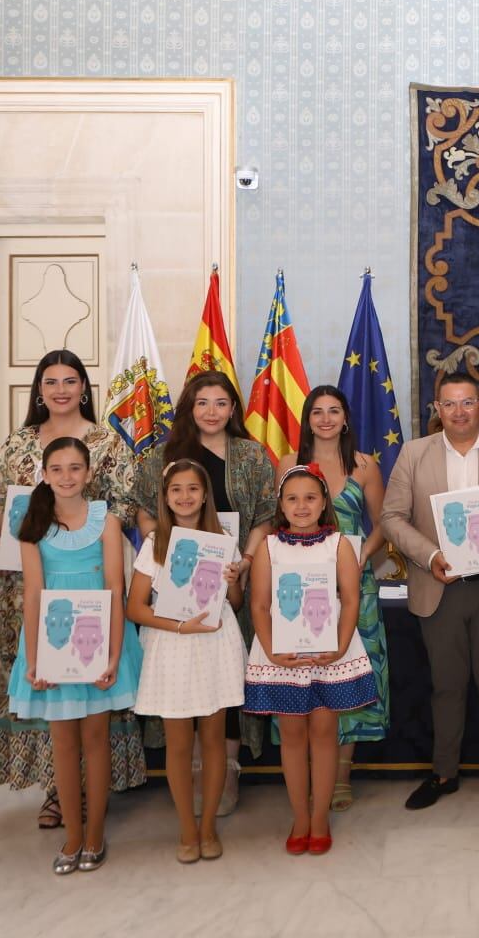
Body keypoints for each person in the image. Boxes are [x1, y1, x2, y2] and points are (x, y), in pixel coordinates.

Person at [0, 349, 141, 829]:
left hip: (91, 578)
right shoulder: (18, 444)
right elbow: (0, 501)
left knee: (90, 678)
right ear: (39, 390)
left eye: (69, 380)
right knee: (46, 679)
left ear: (83, 388)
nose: (60, 389)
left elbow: (126, 507)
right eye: (50, 381)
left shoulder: (107, 443)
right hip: (26, 582)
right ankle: (56, 789)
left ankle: (95, 789)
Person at [381, 372, 479, 810]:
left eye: (467, 402)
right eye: (449, 404)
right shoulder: (414, 453)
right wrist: (430, 556)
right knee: (446, 686)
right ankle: (443, 772)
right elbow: (392, 517)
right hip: (440, 585)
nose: (459, 412)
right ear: (437, 408)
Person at [134, 370, 275, 816]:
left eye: (220, 403)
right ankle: (193, 766)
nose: (212, 412)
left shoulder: (252, 456)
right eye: (202, 403)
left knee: (225, 677)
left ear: (233, 410)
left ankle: (227, 765)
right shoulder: (163, 457)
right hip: (175, 587)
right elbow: (143, 510)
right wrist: (170, 554)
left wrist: (244, 564)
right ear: (188, 409)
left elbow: (265, 517)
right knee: (183, 678)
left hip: (234, 582)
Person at [7, 438, 144, 874]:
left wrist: (112, 653)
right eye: (57, 469)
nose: (67, 476)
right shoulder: (32, 524)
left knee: (96, 739)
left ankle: (96, 832)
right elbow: (33, 592)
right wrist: (34, 659)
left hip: (98, 640)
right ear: (44, 474)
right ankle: (71, 834)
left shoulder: (106, 521)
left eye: (75, 468)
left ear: (88, 473)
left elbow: (113, 589)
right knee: (62, 742)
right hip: (53, 640)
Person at [244, 465, 378, 855]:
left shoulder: (339, 545)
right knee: (292, 736)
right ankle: (299, 816)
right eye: (292, 499)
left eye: (310, 498)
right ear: (281, 506)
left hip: (329, 653)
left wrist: (338, 646)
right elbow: (260, 603)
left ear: (323, 504)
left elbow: (351, 600)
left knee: (323, 734)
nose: (301, 506)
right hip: (282, 655)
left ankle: (319, 818)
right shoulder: (269, 547)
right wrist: (270, 650)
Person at [128, 459, 247, 863]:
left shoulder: (223, 539)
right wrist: (178, 627)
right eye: (175, 489)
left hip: (214, 643)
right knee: (179, 745)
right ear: (165, 497)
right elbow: (135, 608)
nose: (184, 496)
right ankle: (186, 828)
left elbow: (236, 603)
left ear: (205, 494)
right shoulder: (155, 543)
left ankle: (209, 825)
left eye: (192, 489)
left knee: (214, 741)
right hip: (173, 645)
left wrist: (234, 583)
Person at [293, 384, 390, 812]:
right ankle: (311, 771)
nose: (326, 419)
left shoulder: (365, 466)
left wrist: (360, 558)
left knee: (348, 677)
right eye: (318, 412)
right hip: (301, 592)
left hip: (357, 590)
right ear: (308, 419)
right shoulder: (290, 463)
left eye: (334, 411)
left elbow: (384, 523)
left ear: (346, 418)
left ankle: (342, 775)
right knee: (310, 678)